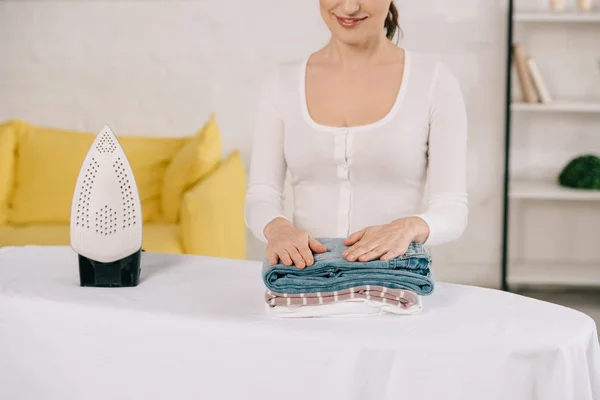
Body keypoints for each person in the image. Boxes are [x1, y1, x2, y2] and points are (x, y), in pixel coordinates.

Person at [245, 0, 468, 269]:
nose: (349, 7)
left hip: (394, 283)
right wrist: (276, 227)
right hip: (304, 284)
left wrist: (410, 227)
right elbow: (261, 195)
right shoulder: (281, 83)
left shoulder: (434, 81)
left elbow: (453, 209)